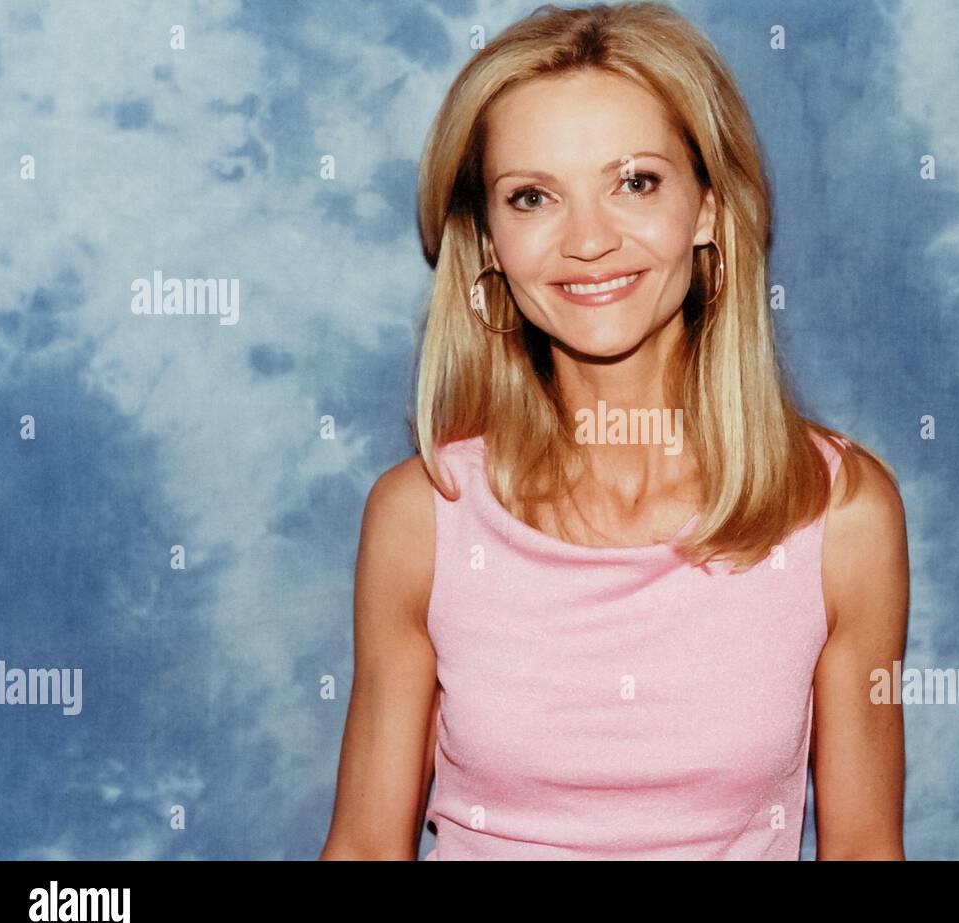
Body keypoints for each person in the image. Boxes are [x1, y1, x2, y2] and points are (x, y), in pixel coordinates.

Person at [320, 1, 908, 861]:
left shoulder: (840, 514)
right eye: (532, 197)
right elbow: (366, 848)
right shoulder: (423, 517)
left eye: (635, 182)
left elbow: (862, 851)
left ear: (708, 207)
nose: (589, 240)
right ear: (488, 241)